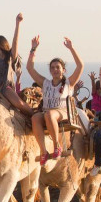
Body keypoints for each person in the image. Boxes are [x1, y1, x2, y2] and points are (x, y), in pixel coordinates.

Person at [26, 36, 84, 164]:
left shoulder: (69, 83)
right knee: (35, 118)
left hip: (63, 112)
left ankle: (57, 146)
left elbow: (80, 66)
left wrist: (71, 48)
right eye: (52, 68)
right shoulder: (45, 83)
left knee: (49, 114)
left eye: (58, 67)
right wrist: (33, 49)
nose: (55, 70)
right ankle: (43, 151)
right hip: (47, 112)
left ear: (63, 70)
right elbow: (30, 68)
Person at [0, 13, 34, 116]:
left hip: (5, 88)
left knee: (19, 104)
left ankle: (33, 116)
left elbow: (15, 43)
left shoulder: (10, 59)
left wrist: (17, 24)